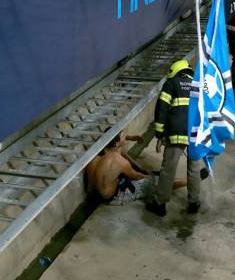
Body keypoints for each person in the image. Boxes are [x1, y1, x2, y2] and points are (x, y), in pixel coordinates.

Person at [146, 59, 202, 216]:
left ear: (174, 71)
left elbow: (161, 109)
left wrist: (159, 133)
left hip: (176, 133)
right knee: (194, 169)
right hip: (194, 134)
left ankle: (160, 204)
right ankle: (194, 203)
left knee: (168, 169)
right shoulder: (198, 84)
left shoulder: (171, 84)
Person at [86, 133, 192, 205]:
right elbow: (137, 176)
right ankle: (190, 180)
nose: (125, 136)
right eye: (123, 135)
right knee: (154, 182)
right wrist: (151, 176)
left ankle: (144, 172)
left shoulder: (95, 155)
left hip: (95, 193)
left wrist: (130, 137)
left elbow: (117, 147)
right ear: (117, 142)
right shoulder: (119, 161)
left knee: (121, 153)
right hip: (112, 198)